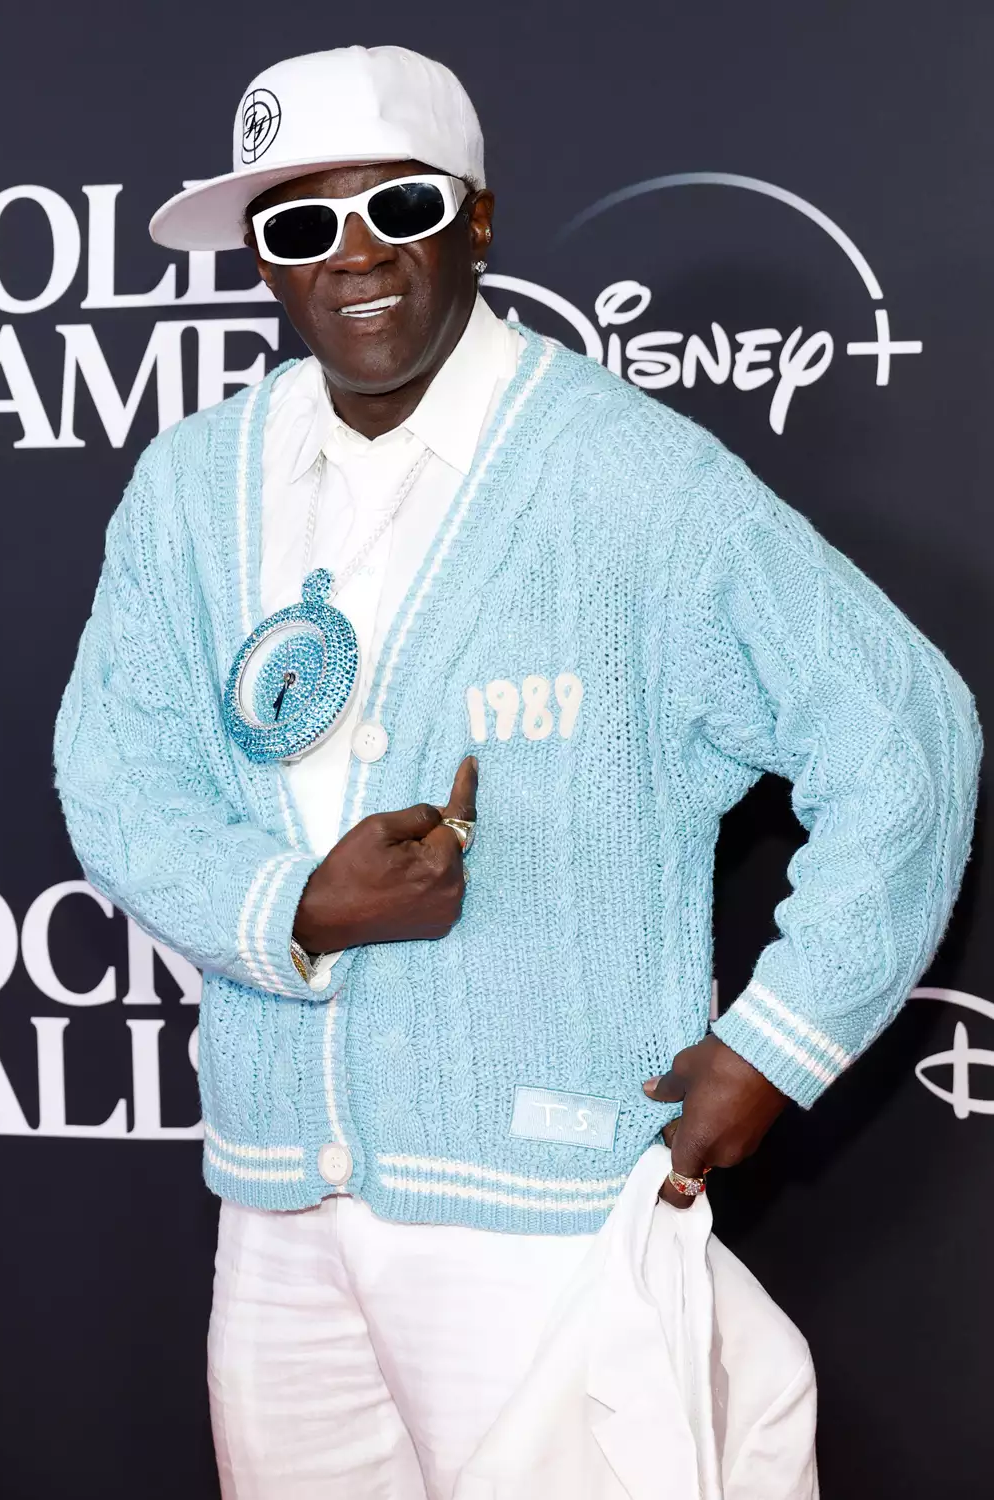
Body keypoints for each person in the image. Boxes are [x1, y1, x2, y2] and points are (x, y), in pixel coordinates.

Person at [53, 43, 980, 1500]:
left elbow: (903, 735)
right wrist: (298, 906)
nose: (349, 257)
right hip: (277, 1197)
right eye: (298, 226)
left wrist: (781, 1040)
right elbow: (115, 776)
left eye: (396, 208)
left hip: (542, 1212)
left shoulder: (630, 485)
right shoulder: (193, 484)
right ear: (261, 262)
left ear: (474, 219)